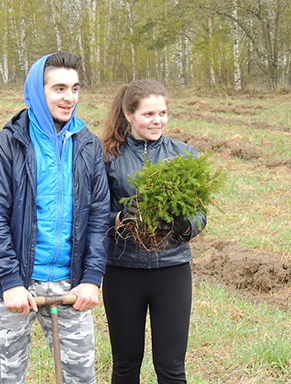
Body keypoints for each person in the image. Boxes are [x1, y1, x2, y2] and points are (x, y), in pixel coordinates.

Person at [0, 52, 110, 384]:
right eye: (59, 88)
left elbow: (98, 216)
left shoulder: (88, 145)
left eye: (75, 89)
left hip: (72, 284)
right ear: (38, 90)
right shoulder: (6, 146)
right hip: (16, 285)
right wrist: (10, 282)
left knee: (80, 376)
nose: (69, 98)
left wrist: (91, 278)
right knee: (9, 376)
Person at [100, 79, 207, 384]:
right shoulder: (108, 157)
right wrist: (120, 218)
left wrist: (183, 225)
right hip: (123, 271)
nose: (157, 120)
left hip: (172, 270)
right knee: (125, 363)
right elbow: (93, 215)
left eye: (162, 113)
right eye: (148, 114)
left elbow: (200, 212)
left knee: (172, 366)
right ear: (128, 114)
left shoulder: (184, 154)